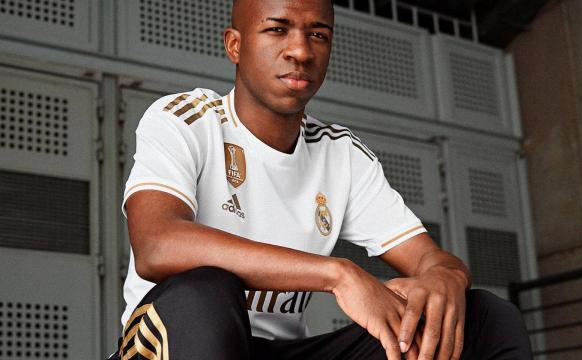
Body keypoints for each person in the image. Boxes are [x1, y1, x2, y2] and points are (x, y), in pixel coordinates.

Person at [108, 0, 532, 359]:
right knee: (207, 293)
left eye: (318, 35)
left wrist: (446, 277)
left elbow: (429, 259)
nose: (300, 51)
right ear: (235, 45)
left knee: (484, 317)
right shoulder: (187, 119)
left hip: (283, 350)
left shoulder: (341, 155)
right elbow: (157, 244)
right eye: (278, 30)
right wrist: (337, 274)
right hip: (172, 341)